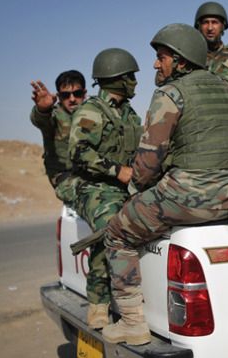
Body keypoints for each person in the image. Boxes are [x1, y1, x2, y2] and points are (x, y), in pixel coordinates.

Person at [102, 23, 228, 345]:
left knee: (116, 233)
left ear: (180, 61)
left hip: (188, 198)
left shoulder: (170, 94)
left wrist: (135, 190)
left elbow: (146, 165)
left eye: (161, 57)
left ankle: (131, 323)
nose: (156, 64)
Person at [69, 48, 142, 329]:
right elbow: (79, 153)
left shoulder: (128, 113)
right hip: (94, 187)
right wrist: (118, 171)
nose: (135, 82)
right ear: (116, 78)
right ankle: (98, 303)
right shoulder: (91, 111)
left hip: (125, 187)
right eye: (130, 77)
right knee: (109, 230)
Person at [29, 70, 86, 203]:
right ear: (59, 97)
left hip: (92, 173)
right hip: (64, 176)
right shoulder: (54, 116)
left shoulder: (94, 113)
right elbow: (40, 120)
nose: (72, 99)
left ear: (84, 94)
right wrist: (43, 109)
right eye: (66, 95)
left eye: (77, 94)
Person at [193, 1, 228, 83]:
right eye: (205, 22)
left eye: (214, 22)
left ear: (223, 26)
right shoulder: (190, 57)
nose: (210, 28)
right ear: (198, 27)